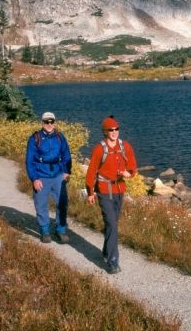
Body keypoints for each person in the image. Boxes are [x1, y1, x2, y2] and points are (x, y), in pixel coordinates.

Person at [85, 115, 138, 274]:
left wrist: (129, 173)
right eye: (111, 130)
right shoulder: (99, 149)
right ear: (105, 132)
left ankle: (106, 251)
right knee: (112, 224)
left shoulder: (125, 146)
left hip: (120, 190)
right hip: (104, 191)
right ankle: (113, 261)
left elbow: (133, 166)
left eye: (116, 129)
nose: (114, 132)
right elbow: (91, 171)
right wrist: (90, 192)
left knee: (113, 223)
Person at [25, 111, 73, 244]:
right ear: (42, 123)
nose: (49, 124)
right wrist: (34, 178)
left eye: (52, 121)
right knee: (41, 205)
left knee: (62, 203)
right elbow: (29, 160)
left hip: (58, 175)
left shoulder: (59, 137)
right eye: (47, 122)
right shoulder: (35, 138)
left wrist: (67, 171)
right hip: (41, 176)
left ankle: (61, 230)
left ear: (55, 122)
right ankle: (45, 231)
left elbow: (66, 155)